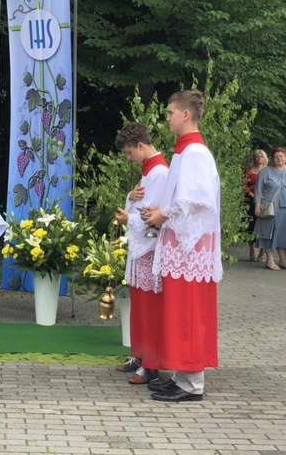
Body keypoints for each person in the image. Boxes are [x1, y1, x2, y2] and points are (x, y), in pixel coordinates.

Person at [143, 90, 223, 402]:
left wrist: (165, 213)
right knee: (179, 312)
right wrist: (161, 213)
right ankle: (180, 375)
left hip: (191, 249)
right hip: (181, 245)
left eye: (171, 112)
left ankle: (192, 384)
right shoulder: (183, 152)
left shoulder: (196, 154)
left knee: (188, 313)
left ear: (186, 115)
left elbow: (196, 199)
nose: (168, 117)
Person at [113, 122, 169, 385]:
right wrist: (130, 198)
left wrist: (128, 218)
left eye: (128, 153)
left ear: (140, 146)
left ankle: (152, 364)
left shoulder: (159, 172)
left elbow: (153, 214)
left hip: (150, 247)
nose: (129, 158)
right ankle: (140, 355)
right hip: (142, 247)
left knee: (149, 308)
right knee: (139, 306)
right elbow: (139, 204)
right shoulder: (150, 171)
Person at [253, 147, 286, 271]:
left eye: (281, 156)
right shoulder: (265, 171)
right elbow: (258, 189)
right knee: (268, 233)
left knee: (284, 233)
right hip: (270, 208)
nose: (279, 158)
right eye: (276, 156)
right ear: (272, 159)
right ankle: (270, 260)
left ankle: (283, 261)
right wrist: (257, 205)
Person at [243, 150, 268, 262]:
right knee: (251, 225)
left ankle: (262, 252)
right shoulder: (249, 170)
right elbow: (244, 185)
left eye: (261, 156)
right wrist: (252, 195)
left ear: (264, 158)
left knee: (264, 225)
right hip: (250, 200)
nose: (258, 159)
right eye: (256, 157)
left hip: (265, 201)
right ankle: (252, 249)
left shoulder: (268, 171)